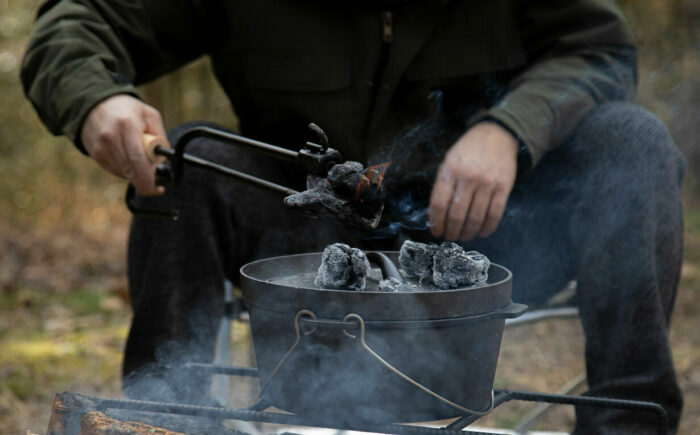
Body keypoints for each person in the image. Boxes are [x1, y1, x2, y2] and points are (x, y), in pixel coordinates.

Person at [21, 0, 685, 433]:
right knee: (190, 155)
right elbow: (74, 24)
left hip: (492, 237)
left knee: (630, 140)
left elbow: (599, 50)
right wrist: (95, 100)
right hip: (305, 244)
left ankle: (627, 424)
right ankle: (164, 420)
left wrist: (510, 128)